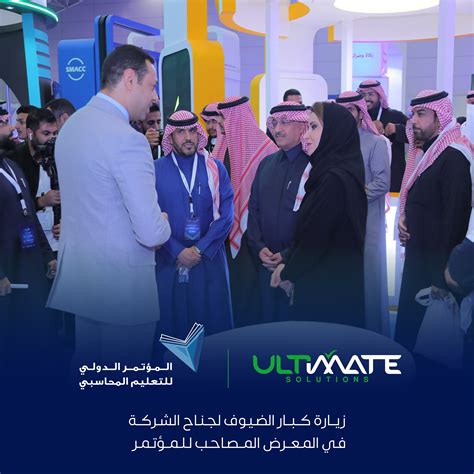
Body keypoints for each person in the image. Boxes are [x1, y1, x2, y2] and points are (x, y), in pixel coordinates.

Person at [47, 45, 171, 365]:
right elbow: (151, 232)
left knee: (91, 373)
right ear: (130, 79)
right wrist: (164, 220)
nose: (154, 97)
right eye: (151, 86)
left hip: (84, 285)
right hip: (124, 291)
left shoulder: (72, 127)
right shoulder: (128, 139)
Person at [271, 102, 367, 327]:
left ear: (333, 132)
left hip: (328, 294)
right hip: (328, 286)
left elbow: (316, 239)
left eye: (314, 127)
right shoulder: (333, 174)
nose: (306, 135)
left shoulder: (334, 180)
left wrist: (288, 271)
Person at [395, 90, 472, 350]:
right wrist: (407, 220)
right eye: (412, 114)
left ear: (440, 118)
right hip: (420, 260)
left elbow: (455, 220)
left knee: (429, 347)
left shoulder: (454, 156)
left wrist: (441, 279)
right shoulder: (431, 154)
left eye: (421, 114)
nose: (413, 121)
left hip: (435, 271)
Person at [154, 110, 234, 337]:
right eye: (180, 132)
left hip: (208, 260)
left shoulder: (214, 168)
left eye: (192, 130)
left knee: (213, 332)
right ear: (170, 137)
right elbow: (149, 217)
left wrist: (199, 249)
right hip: (169, 262)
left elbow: (226, 216)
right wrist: (177, 251)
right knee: (172, 332)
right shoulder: (154, 170)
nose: (188, 137)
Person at [216, 96, 278, 326]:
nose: (219, 123)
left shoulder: (266, 148)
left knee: (252, 293)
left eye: (222, 118)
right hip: (226, 233)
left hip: (255, 235)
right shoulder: (222, 146)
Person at [0, 136, 59, 372]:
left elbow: (30, 217)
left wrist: (48, 256)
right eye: (3, 124)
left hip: (30, 265)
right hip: (7, 272)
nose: (11, 128)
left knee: (37, 333)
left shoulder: (11, 166)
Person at [247, 102, 310, 323]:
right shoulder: (266, 164)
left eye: (285, 122)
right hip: (265, 262)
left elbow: (315, 222)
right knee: (268, 324)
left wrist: (287, 255)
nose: (277, 129)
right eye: (274, 123)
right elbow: (253, 209)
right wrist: (259, 247)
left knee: (296, 328)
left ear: (302, 127)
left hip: (300, 265)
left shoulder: (314, 165)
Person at [336, 91, 391, 334]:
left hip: (367, 223)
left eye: (350, 109)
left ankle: (372, 336)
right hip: (339, 225)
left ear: (360, 113)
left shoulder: (375, 142)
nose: (345, 115)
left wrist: (350, 197)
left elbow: (382, 183)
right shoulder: (332, 144)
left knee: (368, 282)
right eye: (341, 110)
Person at [358, 80, 408, 192]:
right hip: (365, 179)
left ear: (379, 95)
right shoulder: (359, 117)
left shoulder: (395, 116)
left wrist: (398, 129)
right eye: (363, 95)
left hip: (393, 178)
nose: (366, 98)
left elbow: (417, 135)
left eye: (371, 94)